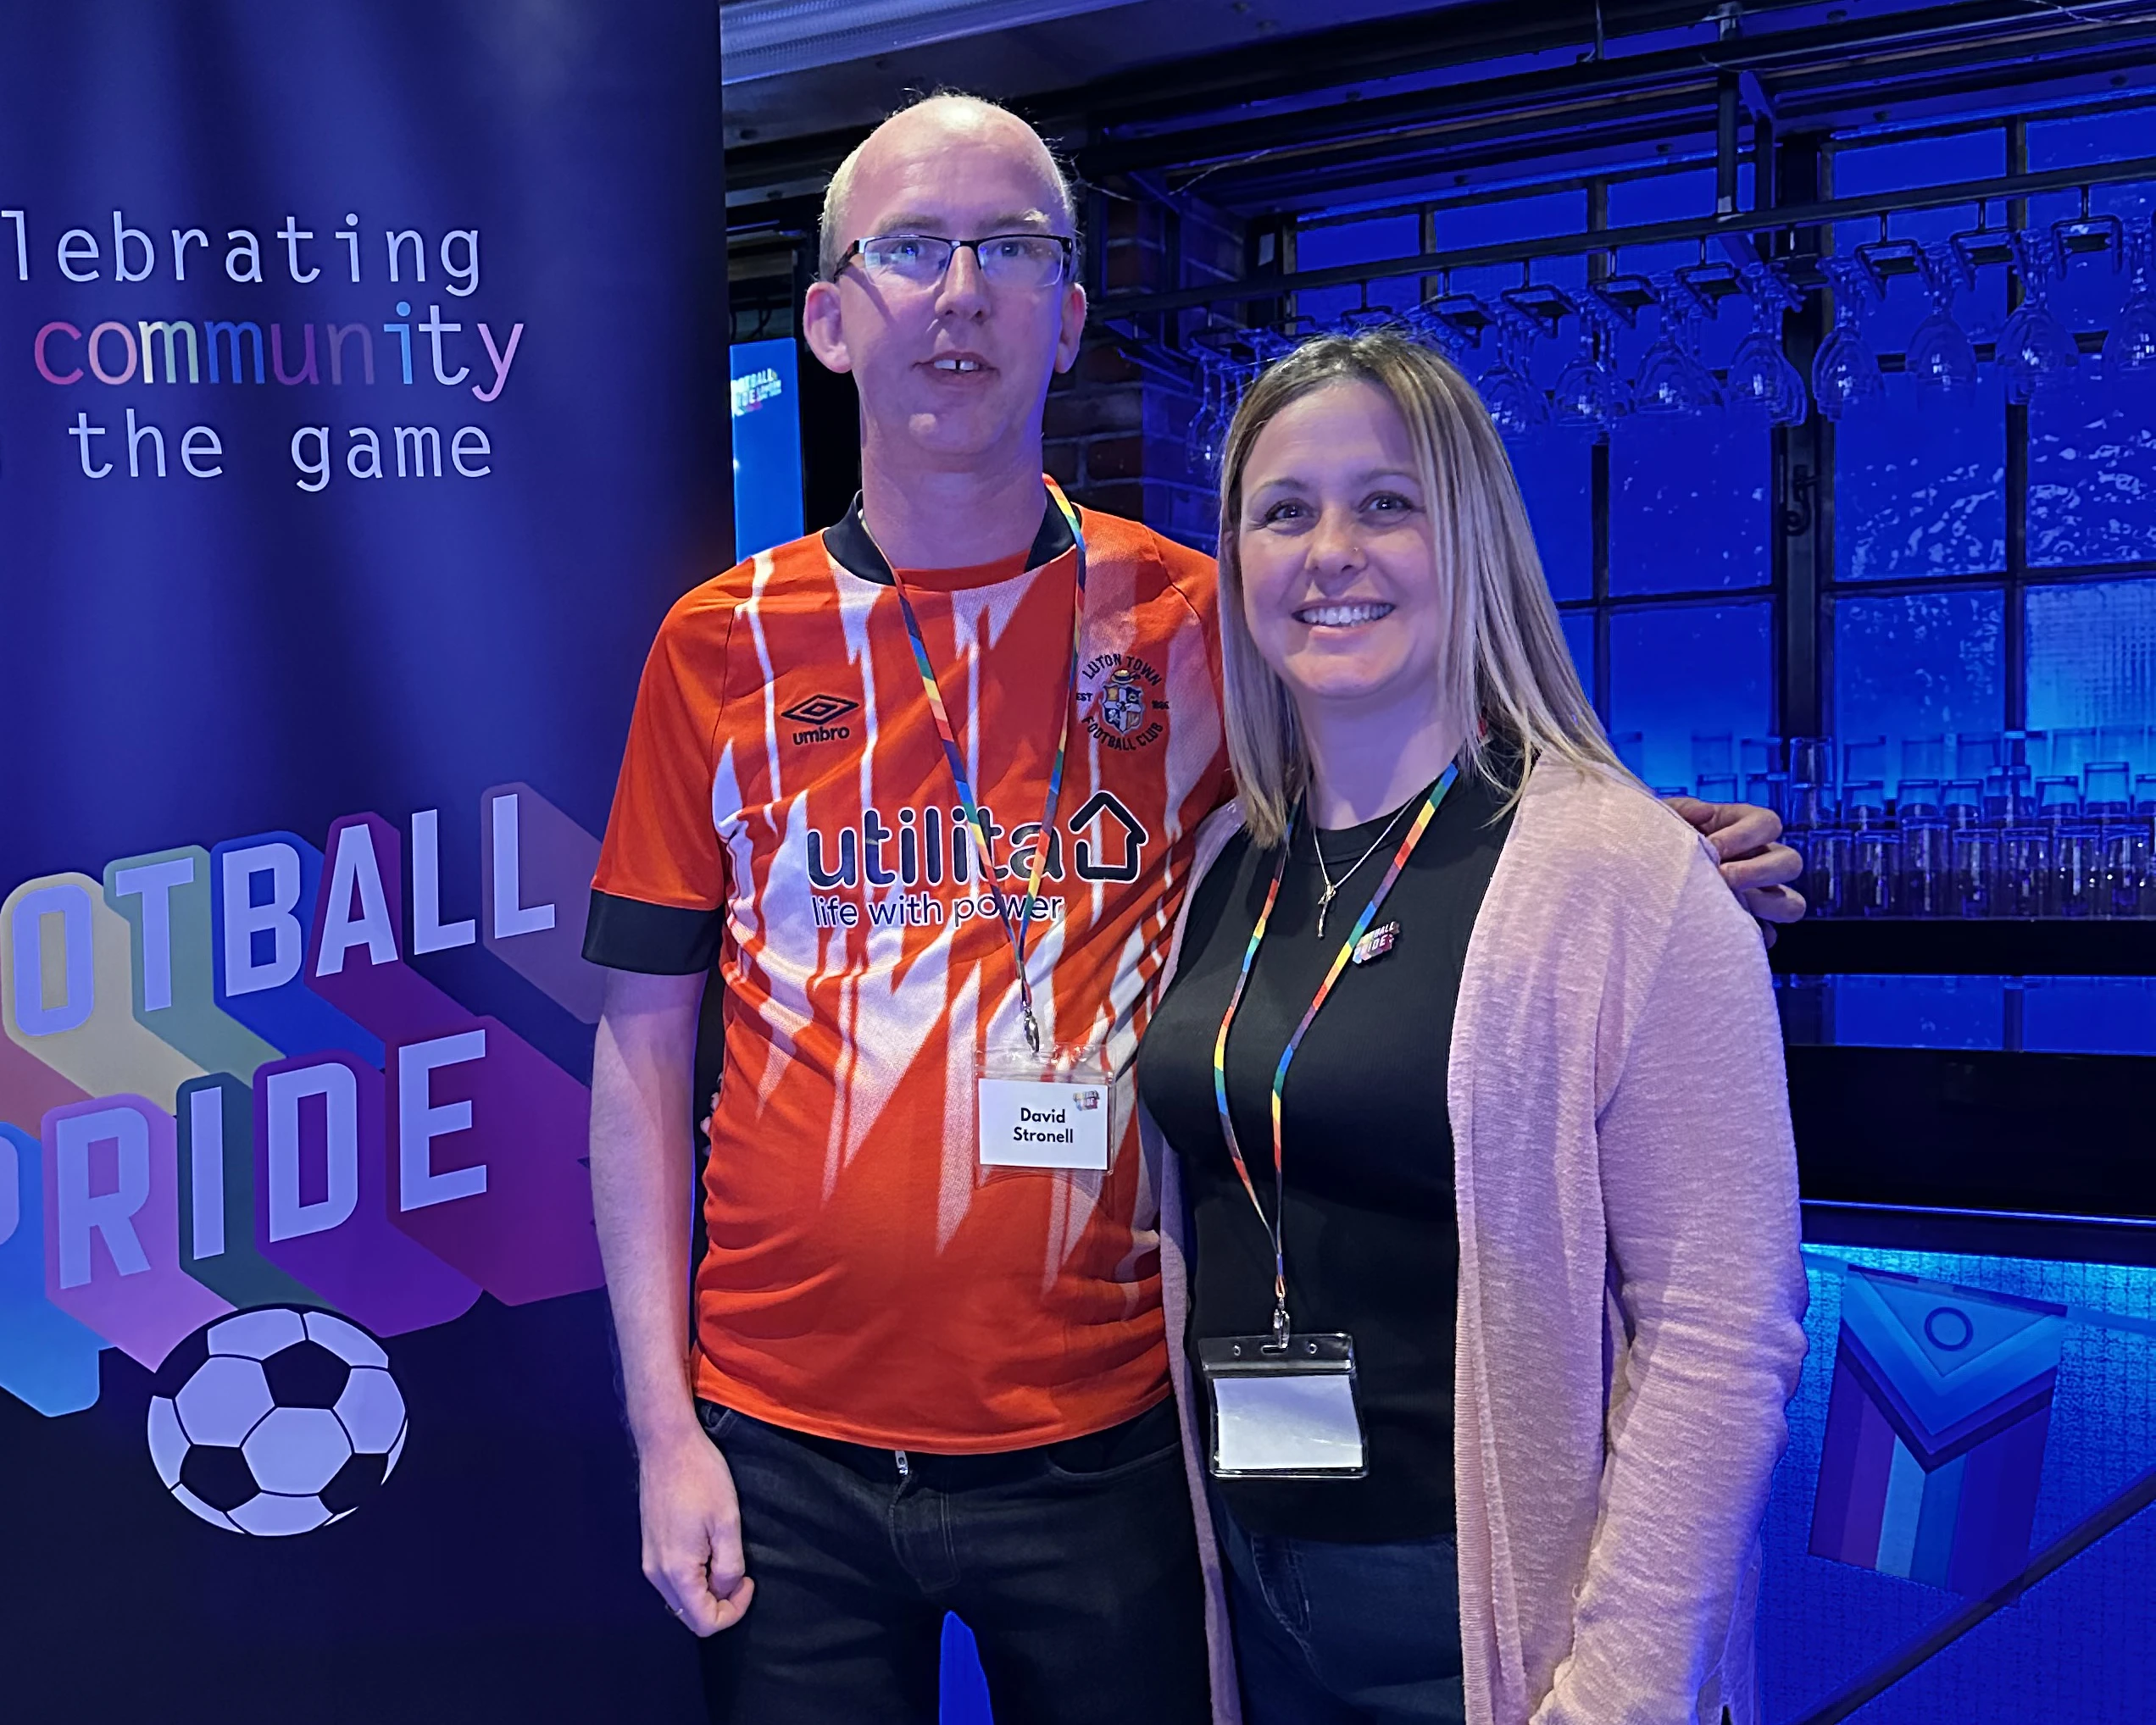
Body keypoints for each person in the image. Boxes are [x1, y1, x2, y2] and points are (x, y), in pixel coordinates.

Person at [585, 95, 1802, 1725]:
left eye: (1012, 251)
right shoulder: (717, 646)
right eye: (912, 250)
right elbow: (643, 1054)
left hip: (1115, 1439)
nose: (961, 293)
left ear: (1071, 314)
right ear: (827, 319)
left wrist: (1637, 844)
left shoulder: (1190, 620)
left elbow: (1411, 763)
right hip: (780, 1438)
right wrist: (665, 1430)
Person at [1136, 330, 1809, 1725]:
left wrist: (1619, 1692)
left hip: (1499, 1624)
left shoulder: (1623, 874)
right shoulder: (1223, 866)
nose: (1333, 550)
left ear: (1477, 540)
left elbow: (1721, 1337)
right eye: (1284, 510)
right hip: (1252, 1587)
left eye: (1389, 502)